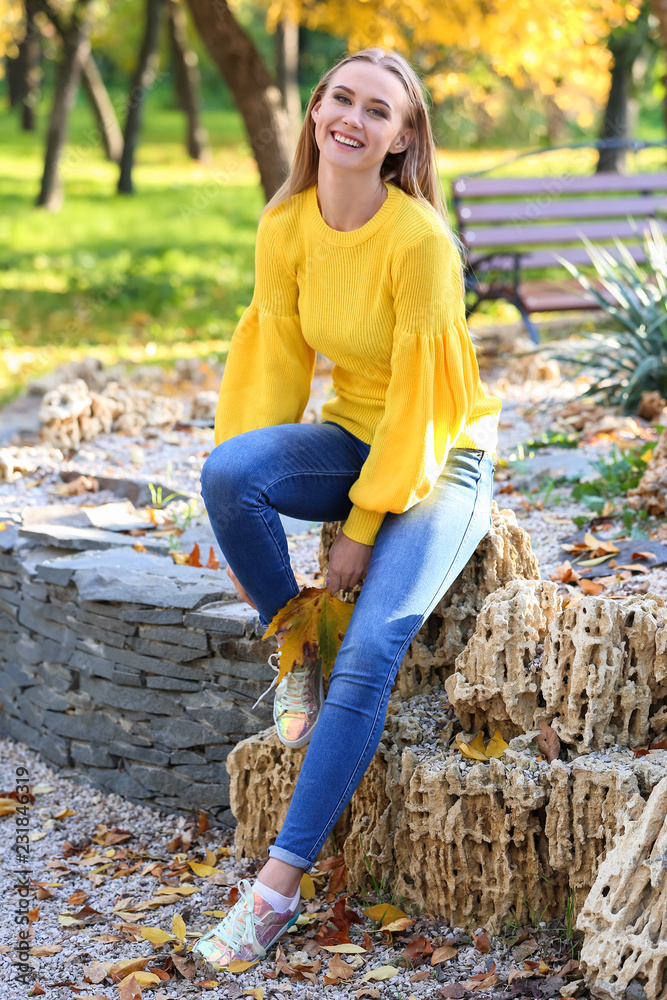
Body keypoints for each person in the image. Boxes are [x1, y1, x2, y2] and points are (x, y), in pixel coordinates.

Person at [193, 45, 501, 974]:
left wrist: (360, 531)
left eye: (378, 111)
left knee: (369, 648)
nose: (352, 121)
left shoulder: (420, 245)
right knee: (226, 474)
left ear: (402, 139)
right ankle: (294, 647)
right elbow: (273, 368)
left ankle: (273, 894)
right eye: (341, 99)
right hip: (354, 435)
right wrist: (246, 483)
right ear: (317, 109)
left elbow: (420, 409)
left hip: (442, 456)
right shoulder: (285, 225)